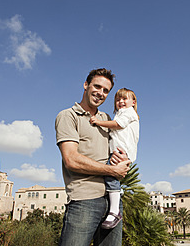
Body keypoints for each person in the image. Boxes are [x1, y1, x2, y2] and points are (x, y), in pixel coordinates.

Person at [55, 68, 131, 246]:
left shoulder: (106, 118)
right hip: (84, 201)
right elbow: (71, 159)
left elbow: (120, 144)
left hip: (113, 203)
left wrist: (124, 161)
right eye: (97, 86)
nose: (101, 93)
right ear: (86, 85)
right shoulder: (68, 116)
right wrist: (112, 170)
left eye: (106, 90)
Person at [90, 88, 139, 229]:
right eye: (118, 99)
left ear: (133, 102)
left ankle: (114, 211)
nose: (121, 101)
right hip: (118, 151)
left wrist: (98, 122)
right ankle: (116, 197)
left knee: (111, 177)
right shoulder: (120, 113)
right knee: (111, 178)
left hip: (120, 152)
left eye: (125, 99)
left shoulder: (129, 113)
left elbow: (118, 125)